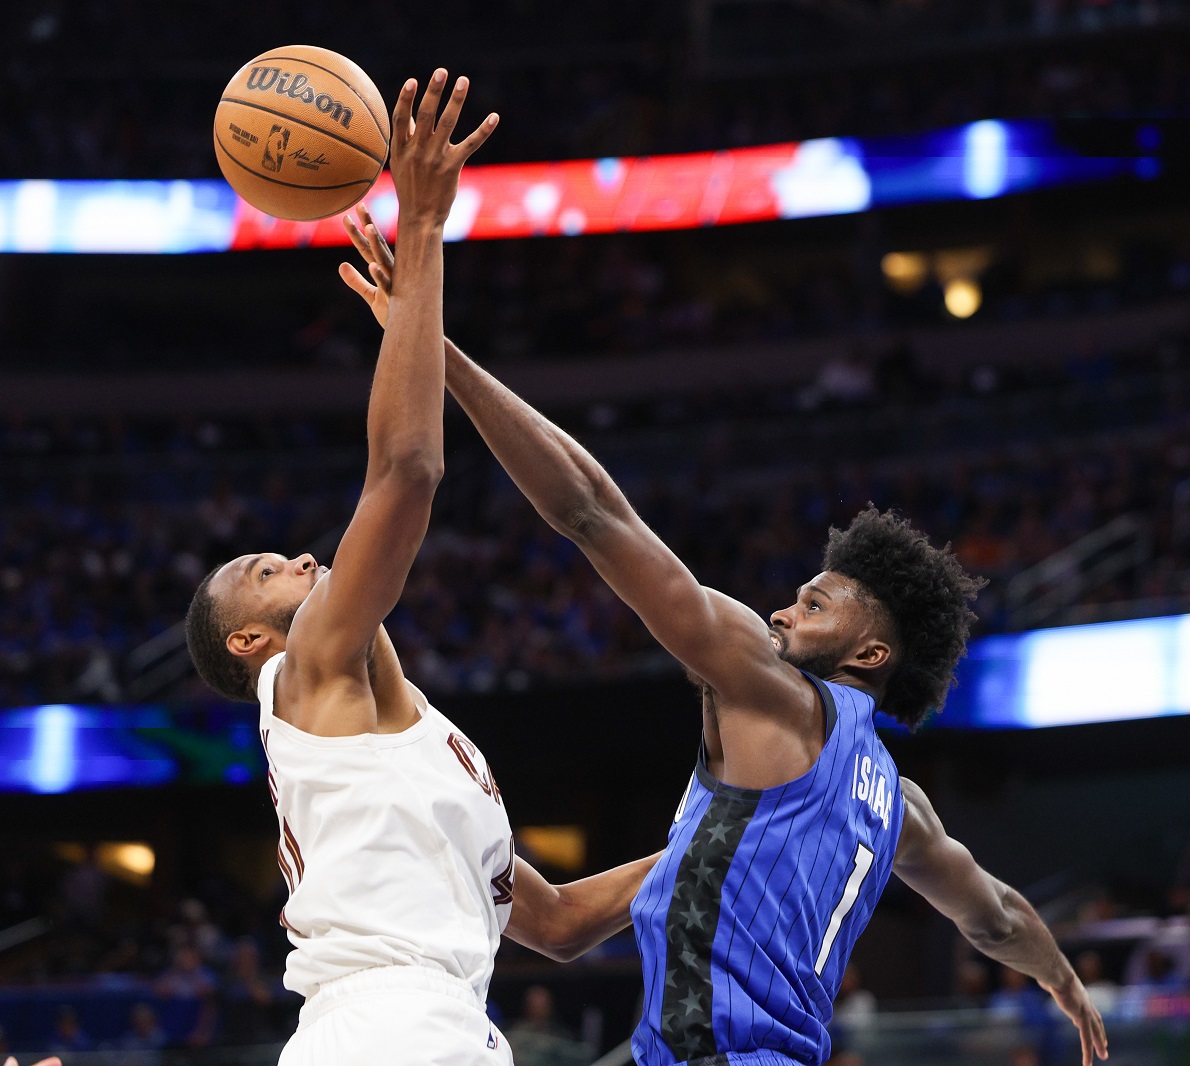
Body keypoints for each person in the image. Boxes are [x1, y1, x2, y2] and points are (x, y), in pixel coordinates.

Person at [336, 213, 1111, 1066]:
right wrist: (1061, 978)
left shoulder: (771, 689)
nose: (781, 613)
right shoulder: (902, 809)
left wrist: (429, 345)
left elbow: (590, 512)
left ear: (869, 656)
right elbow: (995, 914)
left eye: (813, 606)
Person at [184, 71, 655, 1065]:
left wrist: (736, 828)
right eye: (270, 568)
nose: (306, 556)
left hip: (428, 1024)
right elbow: (405, 471)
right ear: (251, 641)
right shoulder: (302, 671)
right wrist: (426, 223)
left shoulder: (403, 748)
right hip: (387, 1029)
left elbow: (563, 922)